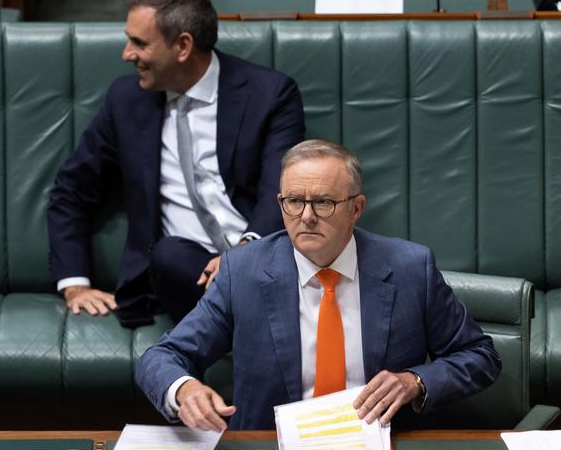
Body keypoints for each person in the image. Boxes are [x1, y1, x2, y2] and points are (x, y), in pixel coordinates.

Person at [136, 139, 501, 431]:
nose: (306, 217)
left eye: (323, 202)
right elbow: (162, 357)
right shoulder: (241, 272)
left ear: (356, 208)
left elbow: (479, 356)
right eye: (294, 201)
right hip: (273, 449)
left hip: (379, 446)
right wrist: (184, 389)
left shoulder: (410, 268)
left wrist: (414, 381)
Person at [47, 0, 305, 327]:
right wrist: (74, 284)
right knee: (168, 255)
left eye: (139, 43)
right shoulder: (127, 101)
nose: (127, 54)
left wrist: (242, 257)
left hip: (261, 261)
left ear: (183, 46)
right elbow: (72, 191)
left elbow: (284, 190)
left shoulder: (270, 94)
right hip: (185, 273)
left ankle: (239, 331)